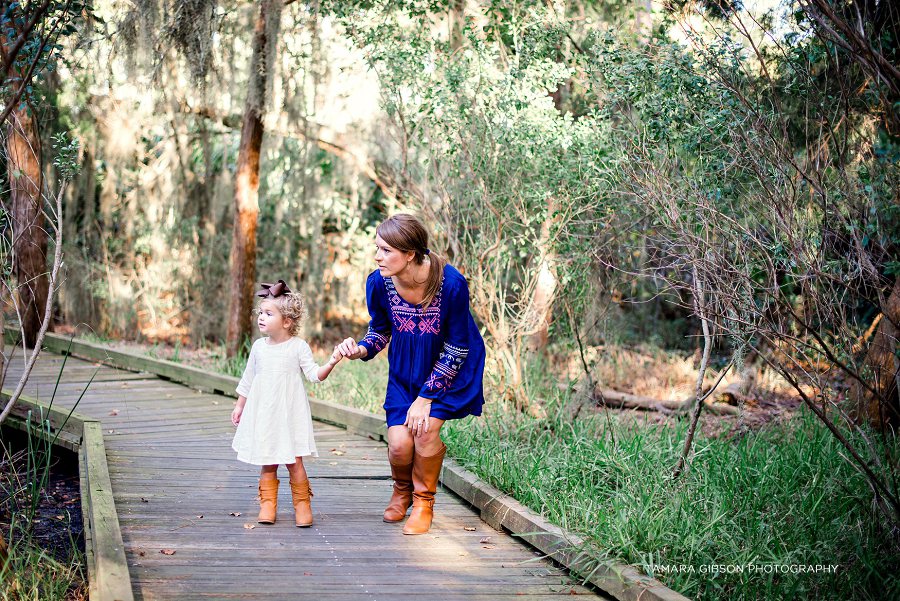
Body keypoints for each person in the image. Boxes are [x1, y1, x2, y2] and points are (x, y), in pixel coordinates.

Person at [336, 214, 485, 535]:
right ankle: (401, 492)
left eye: (386, 250)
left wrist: (426, 398)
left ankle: (423, 502)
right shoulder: (378, 282)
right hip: (405, 371)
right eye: (376, 248)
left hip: (450, 369)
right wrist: (360, 350)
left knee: (425, 432)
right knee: (399, 446)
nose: (377, 257)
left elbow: (458, 347)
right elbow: (379, 331)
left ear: (411, 254)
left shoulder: (452, 284)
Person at [231, 280, 349, 527]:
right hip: (265, 413)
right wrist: (240, 405)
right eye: (260, 313)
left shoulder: (298, 347)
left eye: (268, 313)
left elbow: (314, 375)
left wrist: (331, 362)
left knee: (294, 461)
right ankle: (267, 505)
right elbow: (248, 379)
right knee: (268, 459)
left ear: (286, 321)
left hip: (290, 414)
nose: (261, 317)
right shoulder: (258, 348)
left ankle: (302, 506)